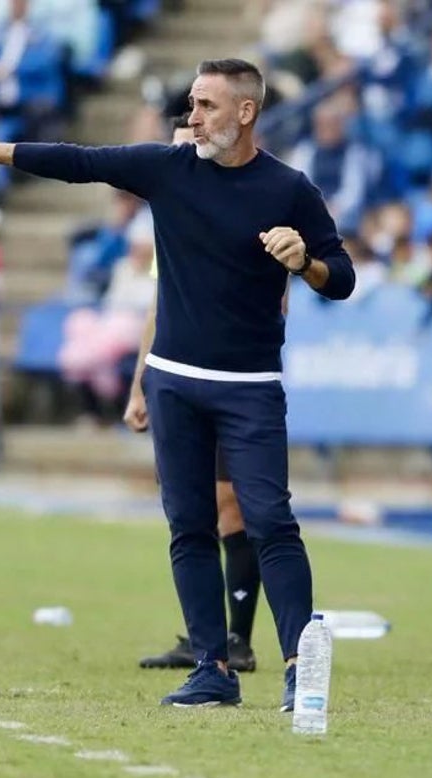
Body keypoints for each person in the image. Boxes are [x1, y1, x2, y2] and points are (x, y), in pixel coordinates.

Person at [0, 59, 355, 710]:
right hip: (173, 382)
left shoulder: (290, 189)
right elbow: (81, 160)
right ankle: (212, 668)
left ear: (246, 113)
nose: (193, 116)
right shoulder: (168, 168)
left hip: (250, 385)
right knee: (188, 527)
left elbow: (343, 276)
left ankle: (297, 670)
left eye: (207, 105)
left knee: (272, 522)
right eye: (192, 103)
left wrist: (305, 262)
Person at [136, 113, 264, 675]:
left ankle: (237, 639)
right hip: (178, 377)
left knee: (231, 504)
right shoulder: (175, 217)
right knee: (195, 511)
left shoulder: (245, 208)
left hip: (230, 378)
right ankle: (206, 636)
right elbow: (161, 306)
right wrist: (142, 379)